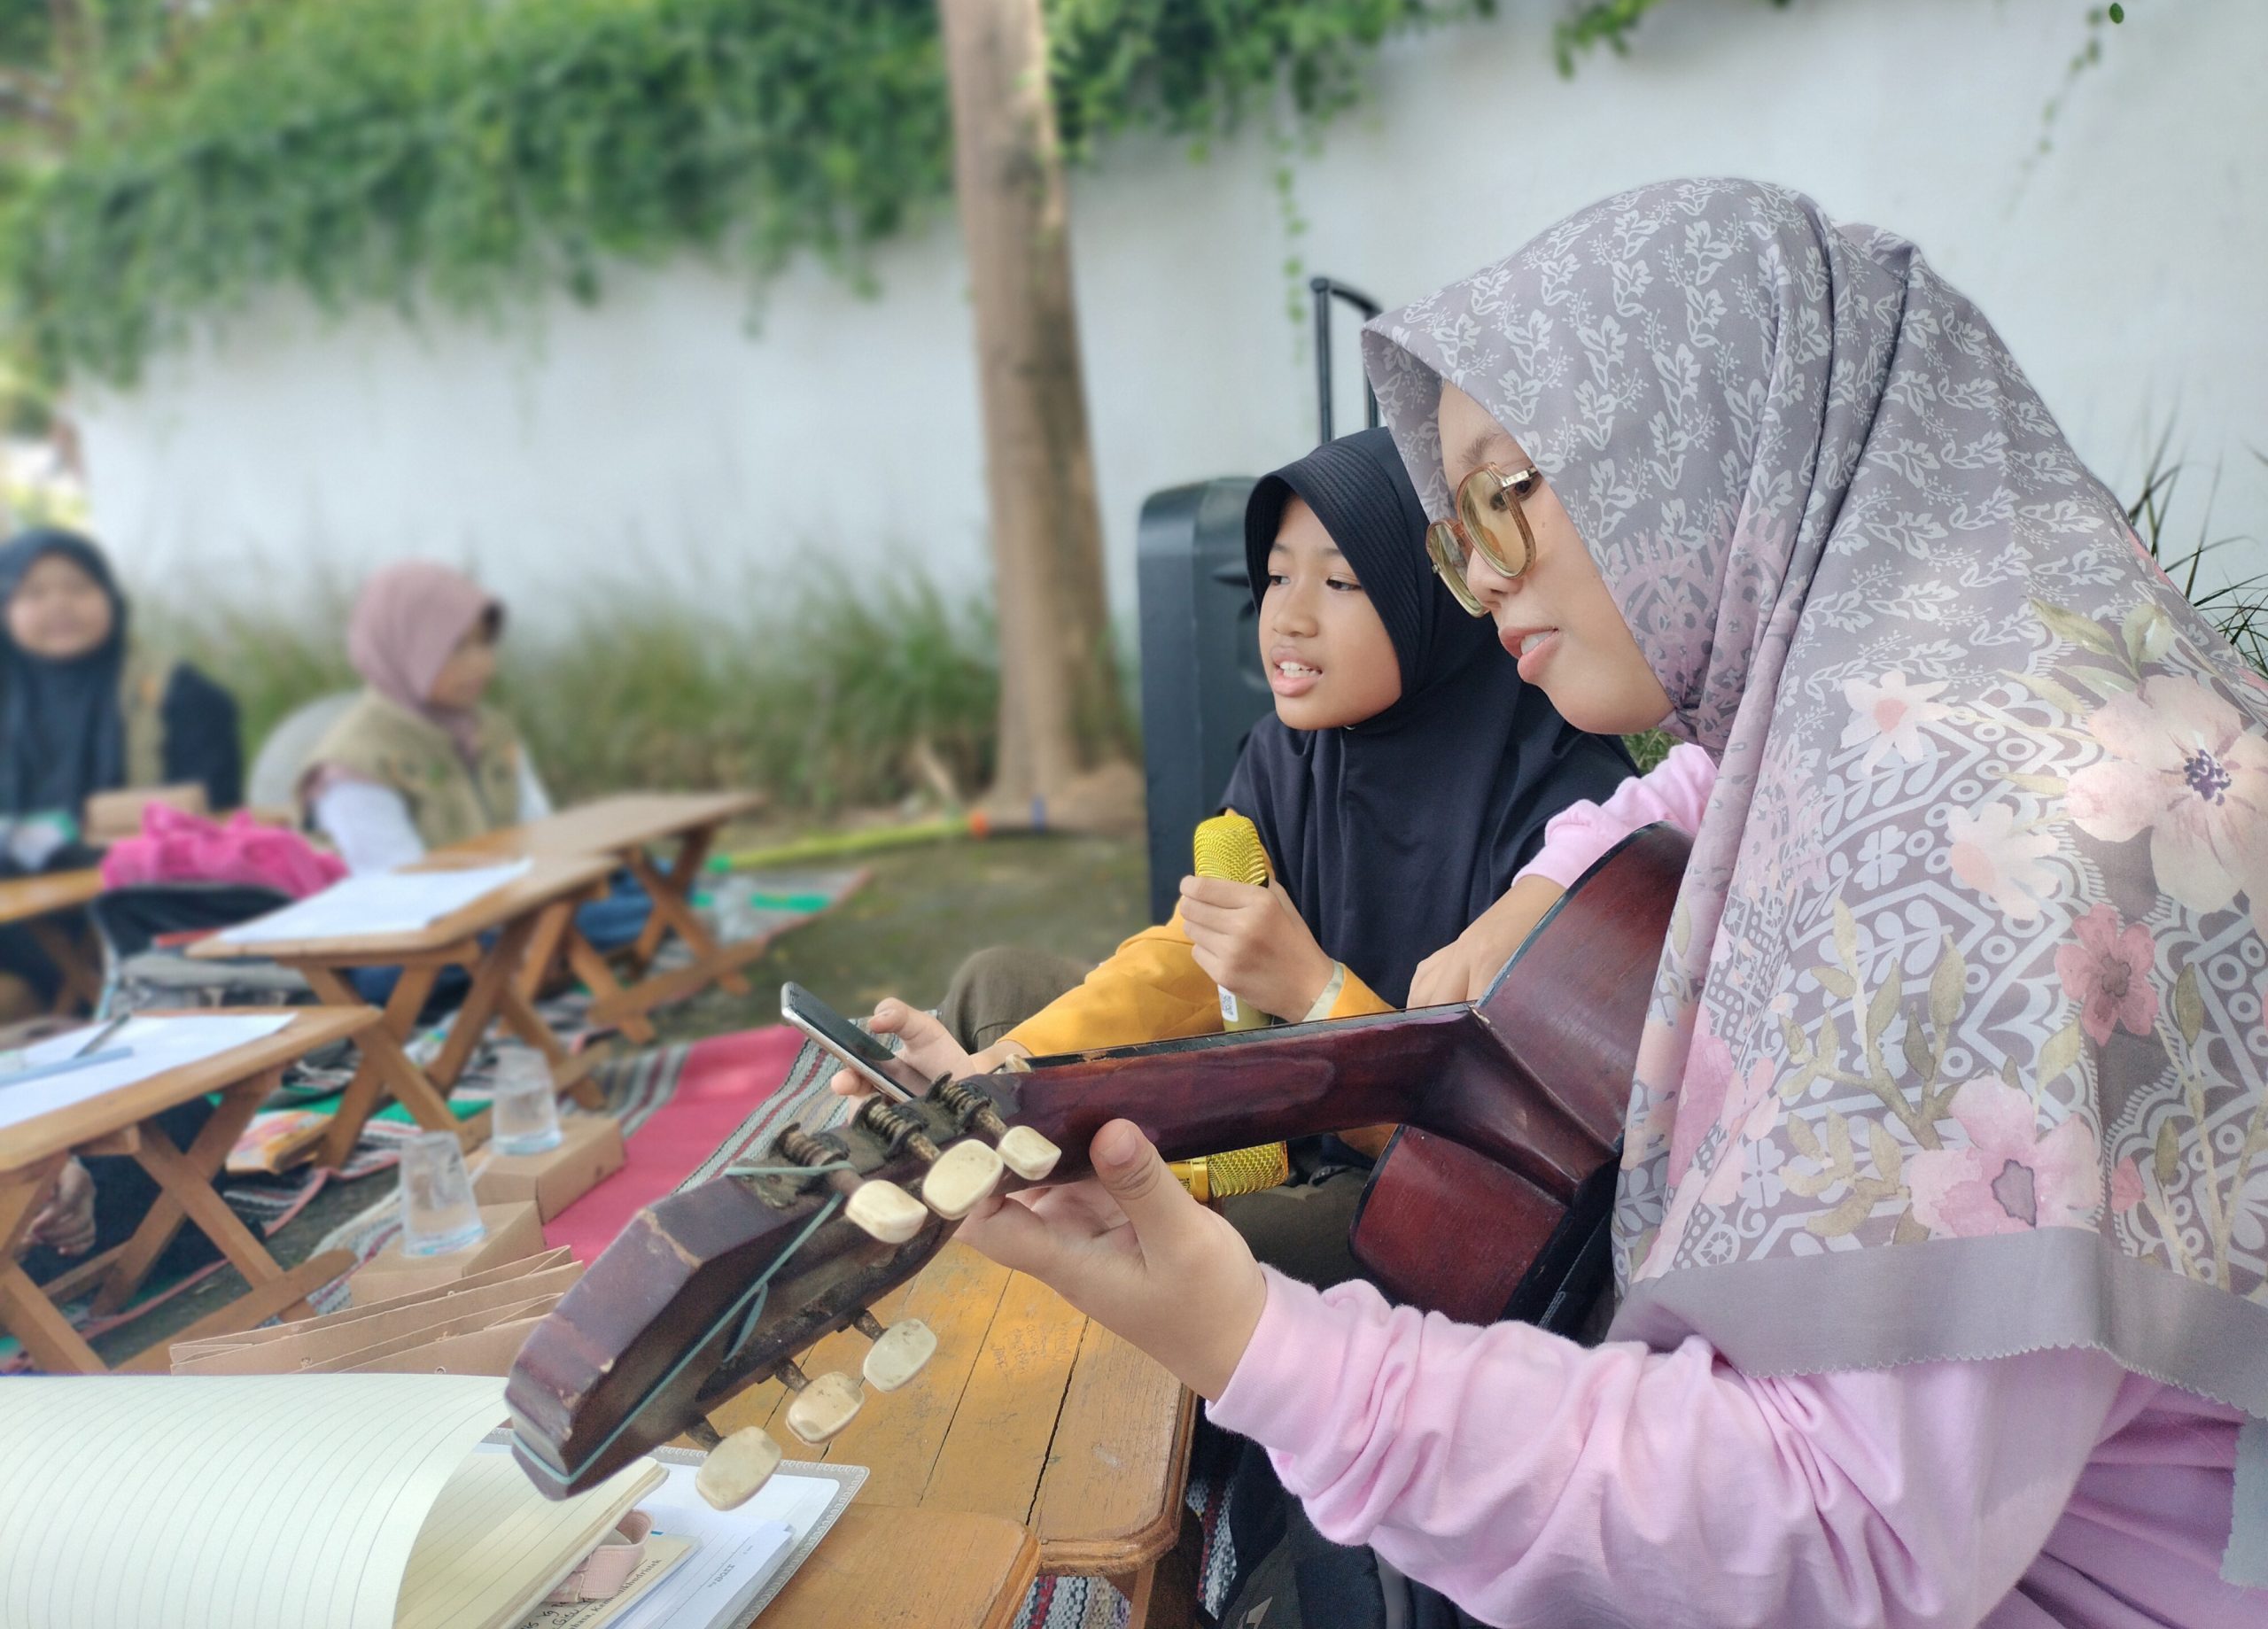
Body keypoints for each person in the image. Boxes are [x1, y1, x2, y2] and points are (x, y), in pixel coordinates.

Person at [865, 182, 2267, 1625]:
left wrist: (1259, 1344)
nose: (1475, 579)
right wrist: (1540, 895)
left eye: (1498, 496)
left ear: (1702, 442)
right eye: (1449, 532)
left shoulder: (1993, 867)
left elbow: (1845, 1541)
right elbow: (1691, 792)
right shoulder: (1926, 707)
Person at [872, 428, 1635, 1283]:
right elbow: (1194, 965)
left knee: (1211, 1256)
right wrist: (999, 1073)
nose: (1288, 616)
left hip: (1412, 1195)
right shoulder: (1289, 754)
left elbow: (1511, 1152)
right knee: (994, 991)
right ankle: (987, 1129)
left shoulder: (1571, 815)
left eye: (1341, 581)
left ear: (1445, 598)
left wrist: (1316, 997)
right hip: (1266, 1116)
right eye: (1275, 575)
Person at [296, 560, 649, 975]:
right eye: (457, 647)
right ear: (402, 646)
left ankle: (554, 945)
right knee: (639, 906)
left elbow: (543, 834)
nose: (483, 665)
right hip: (414, 938)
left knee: (645, 875)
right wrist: (527, 908)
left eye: (485, 644)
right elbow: (401, 892)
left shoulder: (490, 729)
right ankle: (554, 949)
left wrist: (548, 890)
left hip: (509, 907)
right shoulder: (354, 761)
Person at [0, 528, 242, 1013]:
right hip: (20, 926)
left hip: (144, 911)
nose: (59, 605)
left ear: (110, 595)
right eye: (34, 592)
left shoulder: (177, 693)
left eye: (77, 586)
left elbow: (210, 817)